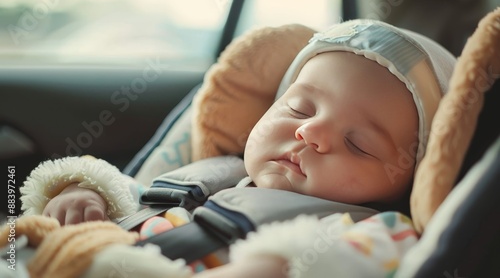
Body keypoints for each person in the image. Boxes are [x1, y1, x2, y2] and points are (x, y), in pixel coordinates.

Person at [20, 19, 456, 277]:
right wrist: (86, 195)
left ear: (410, 177)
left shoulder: (382, 228)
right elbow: (133, 195)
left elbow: (353, 264)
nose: (311, 134)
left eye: (358, 144)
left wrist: (272, 266)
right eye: (299, 109)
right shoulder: (207, 173)